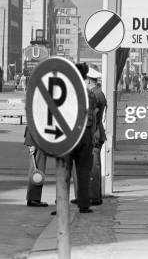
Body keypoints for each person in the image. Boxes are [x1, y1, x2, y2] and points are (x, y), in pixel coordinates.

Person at [65, 62, 96, 214]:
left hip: (69, 134)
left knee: (64, 171)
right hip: (86, 133)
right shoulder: (89, 93)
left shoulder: (67, 91)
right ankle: (84, 204)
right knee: (84, 171)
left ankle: (61, 205)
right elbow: (94, 116)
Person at [89, 74, 107, 206]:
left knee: (94, 166)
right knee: (94, 165)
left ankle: (94, 196)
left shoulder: (95, 95)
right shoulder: (98, 93)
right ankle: (95, 195)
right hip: (97, 132)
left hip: (95, 134)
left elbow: (91, 115)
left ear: (89, 80)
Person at [24, 126, 48, 207]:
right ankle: (33, 198)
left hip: (38, 138)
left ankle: (33, 198)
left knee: (37, 169)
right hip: (37, 139)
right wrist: (32, 144)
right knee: (37, 170)